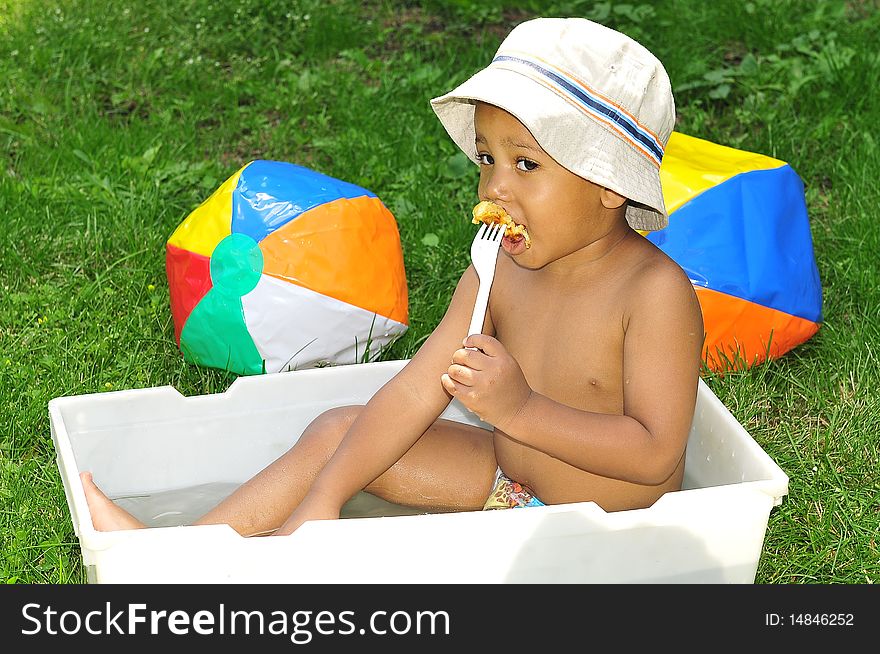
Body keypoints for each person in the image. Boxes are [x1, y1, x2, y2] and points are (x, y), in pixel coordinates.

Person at [81, 16, 704, 536]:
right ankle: (184, 556)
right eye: (487, 159)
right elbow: (413, 393)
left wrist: (520, 410)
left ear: (608, 186)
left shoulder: (653, 294)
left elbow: (654, 455)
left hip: (606, 532)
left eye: (525, 163)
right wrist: (323, 501)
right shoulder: (495, 271)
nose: (493, 186)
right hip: (510, 486)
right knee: (337, 433)